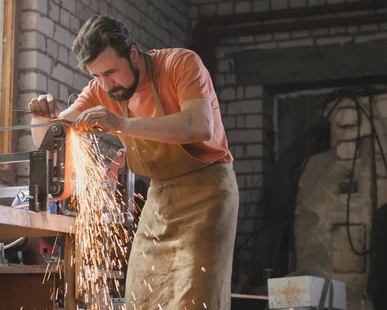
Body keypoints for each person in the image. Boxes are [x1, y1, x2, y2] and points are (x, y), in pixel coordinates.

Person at [28, 15, 239, 310]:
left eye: (111, 72)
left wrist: (120, 124)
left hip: (208, 191)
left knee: (194, 298)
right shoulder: (100, 89)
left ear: (134, 53)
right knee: (143, 297)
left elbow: (200, 125)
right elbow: (52, 139)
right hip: (161, 197)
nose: (106, 84)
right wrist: (40, 118)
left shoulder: (180, 64)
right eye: (97, 75)